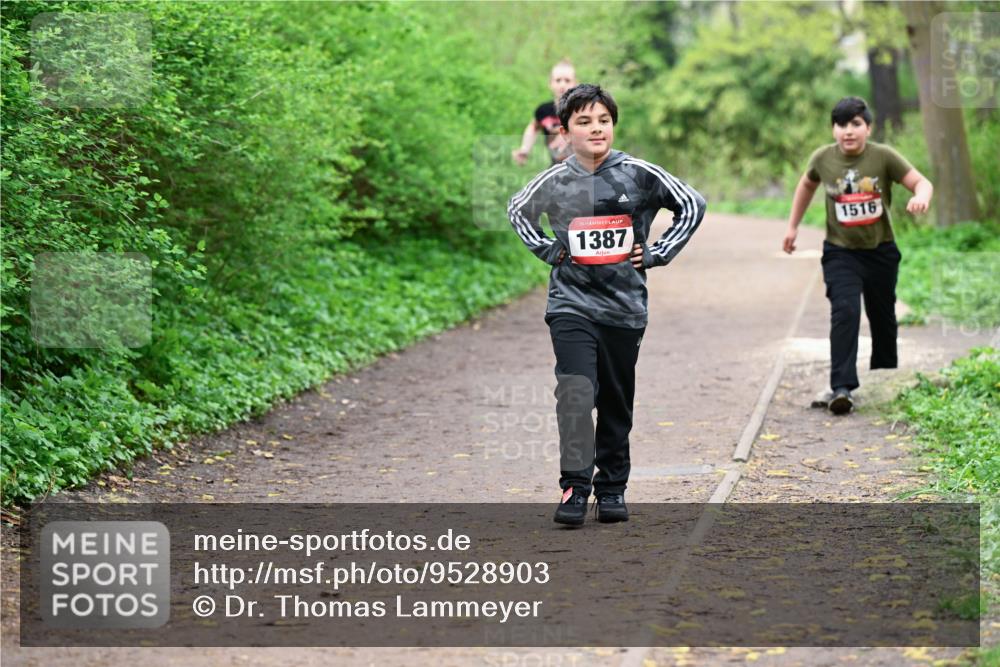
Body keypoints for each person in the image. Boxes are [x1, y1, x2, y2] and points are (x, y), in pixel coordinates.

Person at [507, 84, 707, 526]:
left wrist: (657, 251)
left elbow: (692, 203)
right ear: (565, 130)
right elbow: (518, 210)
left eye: (603, 121)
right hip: (571, 304)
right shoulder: (556, 179)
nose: (596, 129)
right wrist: (547, 249)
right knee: (575, 394)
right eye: (584, 122)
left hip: (623, 308)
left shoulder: (638, 173)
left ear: (613, 125)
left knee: (616, 400)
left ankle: (612, 488)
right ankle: (575, 488)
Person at [783, 96, 933, 415]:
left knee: (882, 316)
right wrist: (792, 227)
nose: (848, 131)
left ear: (868, 128)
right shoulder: (823, 158)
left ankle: (885, 378)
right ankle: (842, 388)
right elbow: (806, 186)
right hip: (841, 252)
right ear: (833, 129)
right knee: (846, 311)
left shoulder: (883, 156)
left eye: (855, 124)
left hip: (880, 251)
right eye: (841, 125)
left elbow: (922, 182)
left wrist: (921, 196)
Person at [511, 60, 577, 166]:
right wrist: (524, 150)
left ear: (575, 84)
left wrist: (569, 134)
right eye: (558, 80)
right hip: (557, 166)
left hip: (583, 166)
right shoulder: (544, 111)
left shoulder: (581, 109)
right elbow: (533, 128)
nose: (562, 84)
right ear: (550, 83)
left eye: (567, 80)